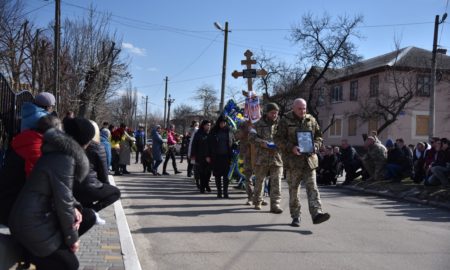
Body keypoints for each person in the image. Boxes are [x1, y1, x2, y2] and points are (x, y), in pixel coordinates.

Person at [8, 119, 94, 270]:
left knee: (87, 216)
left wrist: (76, 207)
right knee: (70, 264)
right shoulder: (64, 158)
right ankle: (32, 253)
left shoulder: (58, 152)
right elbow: (64, 201)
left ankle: (47, 253)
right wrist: (72, 239)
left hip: (36, 216)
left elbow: (63, 195)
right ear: (83, 142)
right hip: (30, 224)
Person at [274, 98, 330, 227]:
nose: (302, 111)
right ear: (293, 108)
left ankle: (317, 214)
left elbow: (319, 136)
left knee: (313, 188)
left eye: (304, 108)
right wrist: (291, 147)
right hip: (293, 163)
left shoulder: (311, 119)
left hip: (309, 161)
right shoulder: (285, 120)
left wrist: (316, 146)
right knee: (294, 190)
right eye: (299, 108)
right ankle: (296, 216)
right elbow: (277, 139)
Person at [0, 115, 61, 225]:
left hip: (7, 195)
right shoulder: (36, 148)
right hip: (13, 206)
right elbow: (33, 181)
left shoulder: (25, 137)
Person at [66, 119, 121, 221]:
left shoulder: (65, 147)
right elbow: (103, 172)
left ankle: (85, 214)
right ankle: (91, 211)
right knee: (115, 193)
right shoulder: (98, 147)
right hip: (89, 188)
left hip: (70, 188)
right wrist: (105, 185)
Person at [249, 103, 283, 212]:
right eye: (272, 113)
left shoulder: (281, 125)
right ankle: (257, 201)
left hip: (277, 158)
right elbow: (251, 137)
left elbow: (287, 137)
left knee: (276, 182)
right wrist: (261, 142)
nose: (274, 115)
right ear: (267, 113)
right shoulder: (257, 124)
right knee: (260, 180)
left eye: (276, 113)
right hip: (262, 157)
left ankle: (275, 205)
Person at [208, 116, 234, 198]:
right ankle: (219, 192)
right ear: (218, 123)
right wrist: (208, 155)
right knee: (218, 175)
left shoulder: (229, 131)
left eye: (224, 123)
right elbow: (209, 145)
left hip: (226, 156)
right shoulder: (213, 131)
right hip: (216, 156)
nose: (223, 124)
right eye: (221, 123)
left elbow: (233, 142)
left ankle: (225, 193)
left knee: (226, 176)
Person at [234, 120, 255, 205]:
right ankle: (250, 197)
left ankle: (258, 197)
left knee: (260, 178)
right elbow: (236, 136)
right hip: (247, 155)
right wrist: (246, 130)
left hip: (259, 154)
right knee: (248, 177)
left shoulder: (259, 122)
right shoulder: (242, 124)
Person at [191, 120, 212, 193]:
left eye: (209, 125)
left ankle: (206, 185)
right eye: (207, 125)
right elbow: (194, 145)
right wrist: (193, 155)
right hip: (201, 157)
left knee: (208, 173)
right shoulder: (198, 134)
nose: (209, 126)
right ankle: (202, 187)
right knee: (202, 173)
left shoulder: (210, 134)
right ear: (203, 125)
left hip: (209, 157)